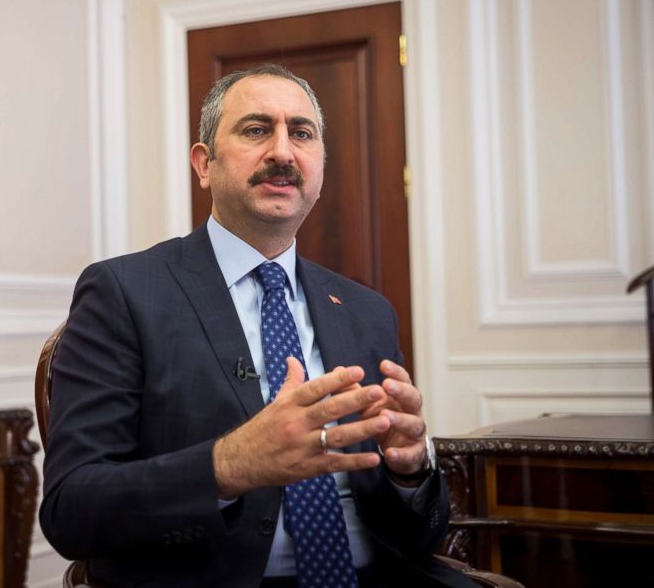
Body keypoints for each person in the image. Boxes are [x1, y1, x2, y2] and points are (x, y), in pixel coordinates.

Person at [39, 64, 476, 587]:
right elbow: (72, 509)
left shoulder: (366, 310)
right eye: (255, 130)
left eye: (301, 133)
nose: (283, 153)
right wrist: (231, 465)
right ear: (204, 164)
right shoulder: (125, 293)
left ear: (319, 168)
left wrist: (411, 471)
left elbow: (418, 536)